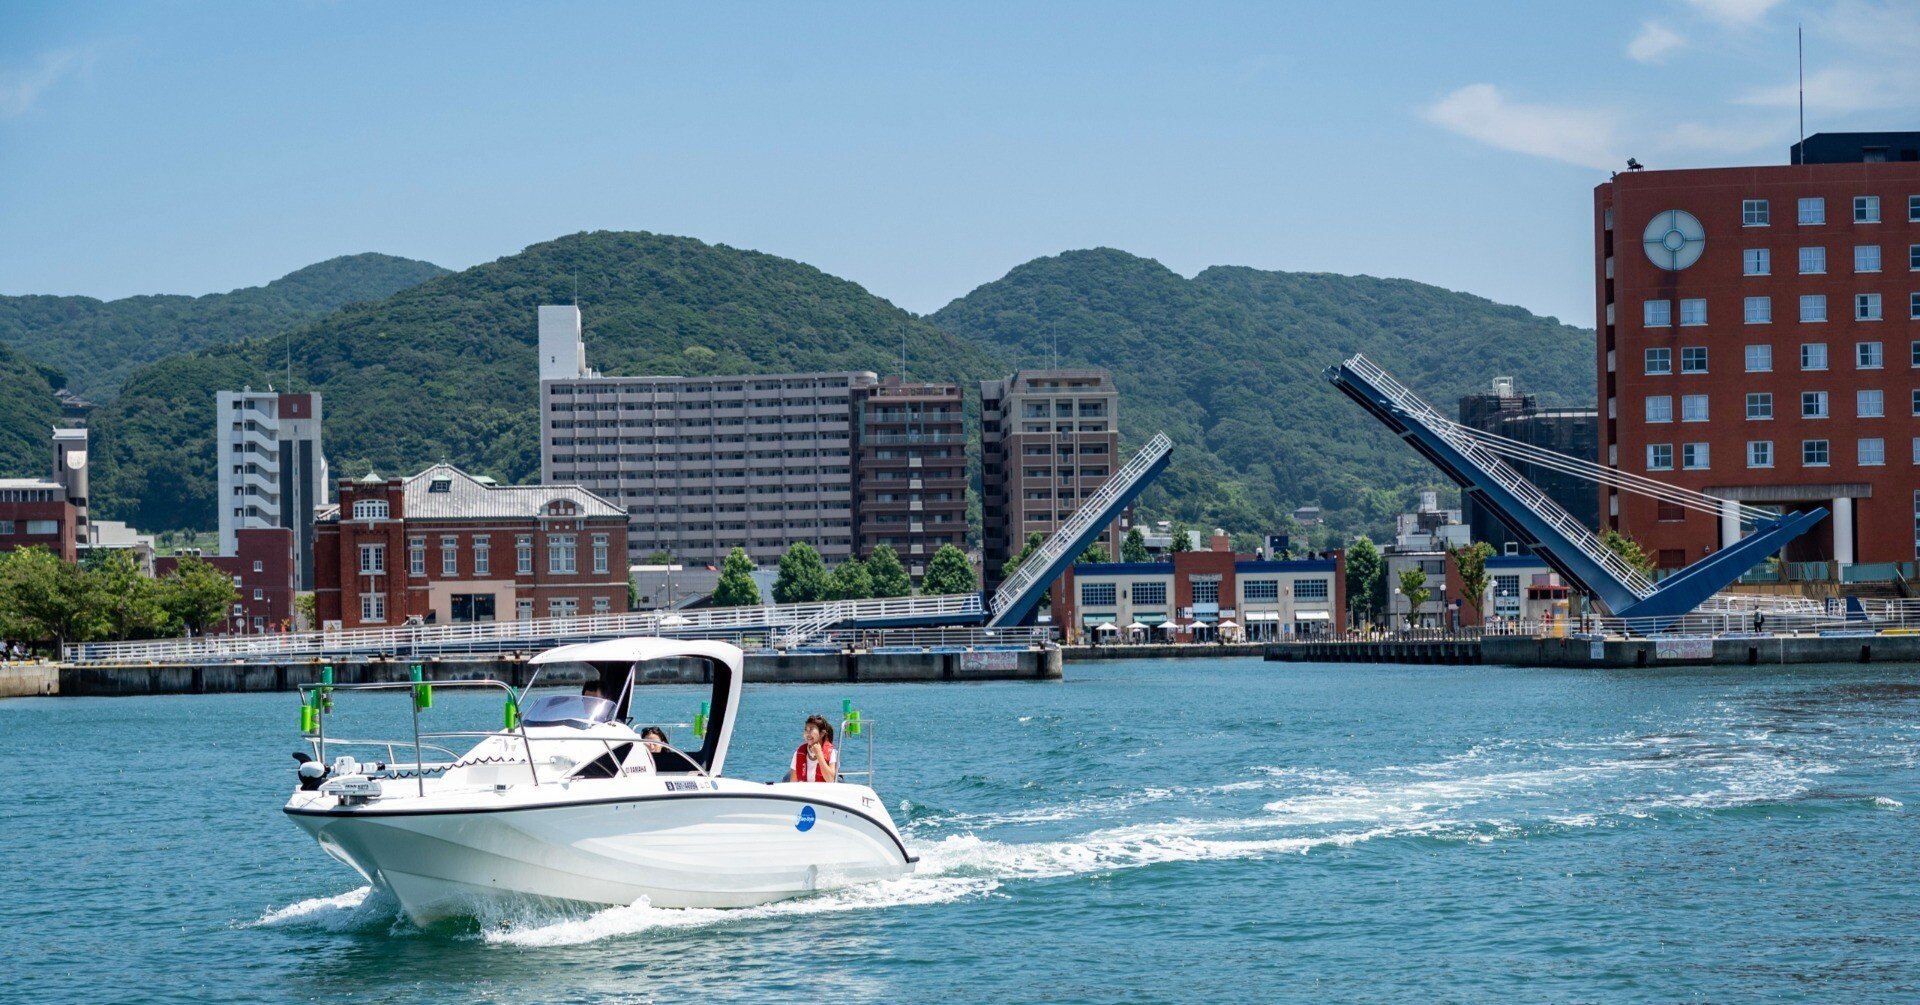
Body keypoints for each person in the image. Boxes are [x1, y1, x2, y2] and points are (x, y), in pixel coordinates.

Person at [782, 714, 837, 783]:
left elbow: (830, 779)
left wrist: (819, 754)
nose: (807, 733)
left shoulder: (832, 752)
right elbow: (793, 783)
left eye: (811, 729)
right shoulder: (798, 753)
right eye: (806, 730)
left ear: (822, 734)